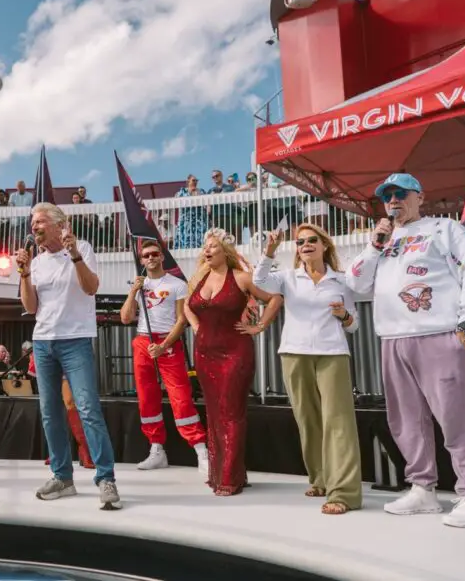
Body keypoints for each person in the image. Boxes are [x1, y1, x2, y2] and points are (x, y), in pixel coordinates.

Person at [346, 173, 465, 528]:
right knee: (406, 421)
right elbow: (355, 284)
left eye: (401, 194)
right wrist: (374, 245)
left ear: (420, 196)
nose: (394, 201)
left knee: (454, 416)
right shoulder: (383, 241)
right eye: (388, 196)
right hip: (392, 338)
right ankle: (422, 488)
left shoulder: (444, 230)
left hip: (439, 333)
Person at [16, 202, 121, 510]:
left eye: (40, 221)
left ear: (59, 224)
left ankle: (106, 479)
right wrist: (23, 273)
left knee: (88, 409)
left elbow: (91, 288)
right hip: (43, 341)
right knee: (50, 413)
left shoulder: (82, 248)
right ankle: (63, 477)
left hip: (75, 340)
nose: (34, 226)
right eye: (32, 222)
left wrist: (74, 254)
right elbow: (31, 307)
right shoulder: (36, 262)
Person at [254, 224, 362, 514]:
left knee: (338, 423)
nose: (305, 244)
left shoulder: (341, 280)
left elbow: (355, 326)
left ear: (324, 245)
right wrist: (269, 252)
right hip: (293, 352)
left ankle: (344, 493)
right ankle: (320, 479)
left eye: (312, 240)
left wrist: (344, 315)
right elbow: (259, 282)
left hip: (332, 353)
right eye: (300, 241)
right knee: (308, 420)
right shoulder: (287, 278)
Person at [184, 228, 282, 496]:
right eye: (205, 246)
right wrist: (194, 326)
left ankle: (229, 478)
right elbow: (186, 306)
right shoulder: (199, 279)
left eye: (213, 246)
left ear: (225, 252)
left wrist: (259, 326)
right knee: (214, 414)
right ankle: (227, 473)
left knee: (231, 413)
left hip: (235, 352)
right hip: (204, 354)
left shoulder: (242, 278)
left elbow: (275, 299)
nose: (207, 250)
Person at [119, 239, 208, 475]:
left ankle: (200, 449)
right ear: (141, 260)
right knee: (147, 396)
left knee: (180, 395)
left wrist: (165, 344)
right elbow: (126, 318)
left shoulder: (177, 284)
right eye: (146, 255)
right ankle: (156, 449)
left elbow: (182, 319)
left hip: (167, 341)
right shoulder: (139, 285)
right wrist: (133, 292)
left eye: (154, 254)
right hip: (142, 340)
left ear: (161, 256)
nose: (150, 258)